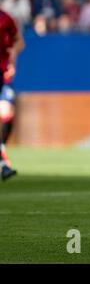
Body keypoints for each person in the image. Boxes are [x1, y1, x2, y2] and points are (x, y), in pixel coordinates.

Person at [0, 9, 24, 181]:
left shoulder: (5, 18)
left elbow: (19, 42)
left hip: (2, 76)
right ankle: (3, 164)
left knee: (7, 115)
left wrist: (13, 54)